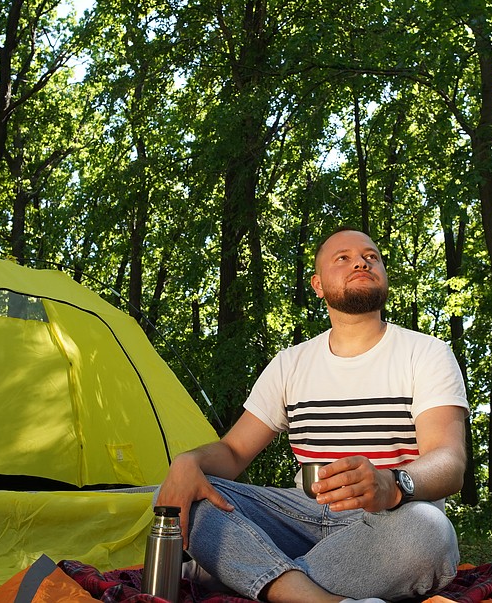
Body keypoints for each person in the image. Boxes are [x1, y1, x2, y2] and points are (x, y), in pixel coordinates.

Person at [155, 228, 469, 603]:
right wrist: (189, 461)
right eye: (343, 257)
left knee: (431, 532)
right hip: (300, 514)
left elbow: (450, 461)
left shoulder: (426, 353)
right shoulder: (290, 363)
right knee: (176, 492)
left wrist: (393, 483)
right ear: (318, 285)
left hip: (388, 522)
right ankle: (310, 594)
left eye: (372, 256)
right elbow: (234, 453)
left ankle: (249, 575)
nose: (360, 261)